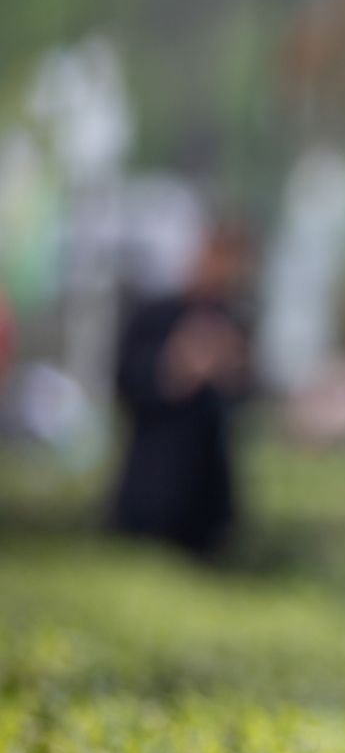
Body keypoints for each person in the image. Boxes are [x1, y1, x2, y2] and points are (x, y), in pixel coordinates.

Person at [107, 220, 253, 560]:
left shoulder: (234, 321)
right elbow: (128, 385)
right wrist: (176, 368)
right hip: (152, 492)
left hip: (208, 502)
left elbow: (244, 403)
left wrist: (231, 369)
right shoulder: (154, 315)